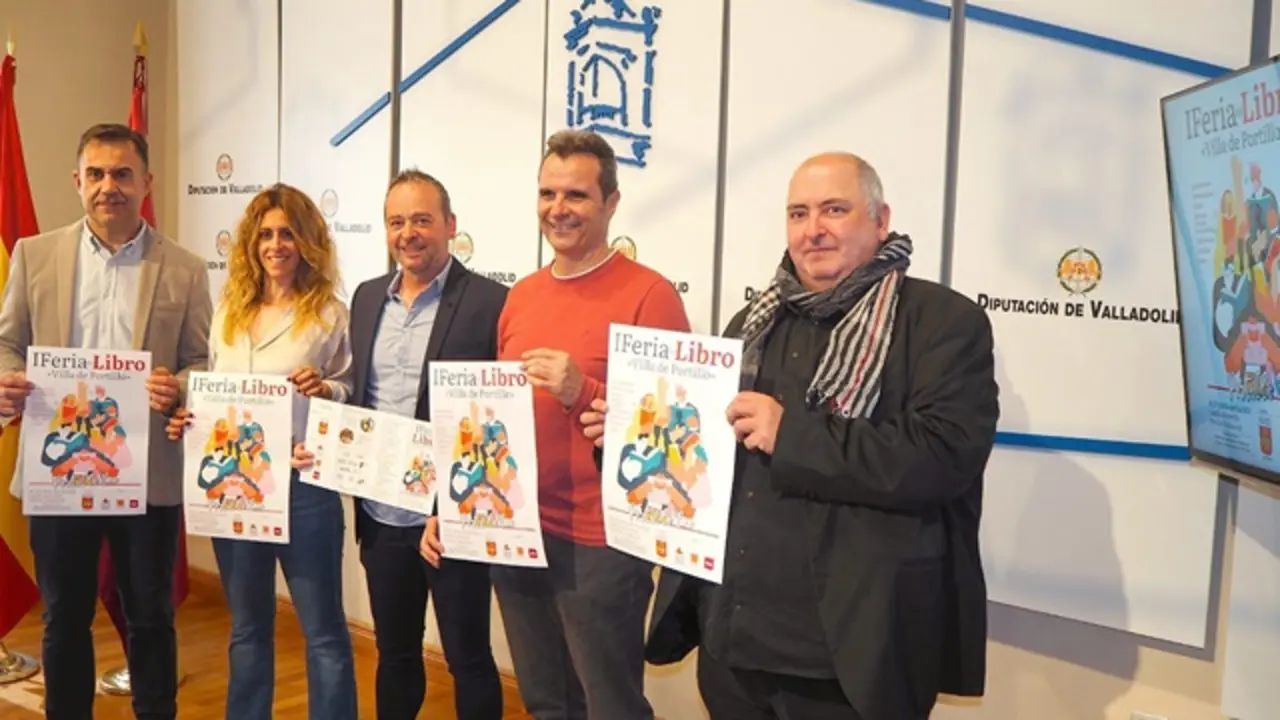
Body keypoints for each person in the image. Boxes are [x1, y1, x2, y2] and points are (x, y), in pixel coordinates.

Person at [581, 152, 999, 719]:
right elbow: (705, 454)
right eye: (798, 213)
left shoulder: (942, 322)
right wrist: (630, 439)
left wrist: (792, 435)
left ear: (880, 220)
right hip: (734, 642)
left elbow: (943, 457)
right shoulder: (753, 321)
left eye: (835, 210)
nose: (813, 228)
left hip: (850, 657)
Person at [472, 129, 690, 719]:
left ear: (611, 203)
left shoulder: (651, 296)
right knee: (545, 701)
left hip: (602, 542)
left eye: (576, 195)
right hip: (519, 529)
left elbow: (675, 434)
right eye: (547, 193)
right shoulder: (521, 295)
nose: (558, 208)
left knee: (610, 705)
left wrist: (584, 392)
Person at [0, 123, 212, 720]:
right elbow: (7, 343)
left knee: (150, 614)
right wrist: (9, 377)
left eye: (122, 173)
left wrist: (178, 386)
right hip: (59, 471)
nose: (108, 186)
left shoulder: (185, 268)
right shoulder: (34, 255)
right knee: (64, 614)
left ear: (146, 182)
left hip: (145, 474)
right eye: (96, 173)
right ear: (77, 181)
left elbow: (202, 360)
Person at [308, 169, 506, 719]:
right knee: (394, 654)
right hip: (382, 516)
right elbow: (360, 399)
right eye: (397, 222)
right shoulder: (368, 297)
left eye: (422, 220)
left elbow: (497, 418)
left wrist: (452, 506)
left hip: (453, 516)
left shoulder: (491, 302)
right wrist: (324, 445)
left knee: (468, 659)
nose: (408, 233)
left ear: (450, 225)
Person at [166, 183, 357, 720]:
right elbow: (211, 390)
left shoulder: (330, 314)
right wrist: (188, 417)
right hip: (237, 489)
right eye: (266, 234)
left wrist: (325, 389)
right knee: (248, 628)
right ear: (251, 243)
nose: (276, 245)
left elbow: (350, 390)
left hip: (303, 489)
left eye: (288, 234)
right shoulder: (228, 312)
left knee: (323, 631)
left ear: (308, 242)